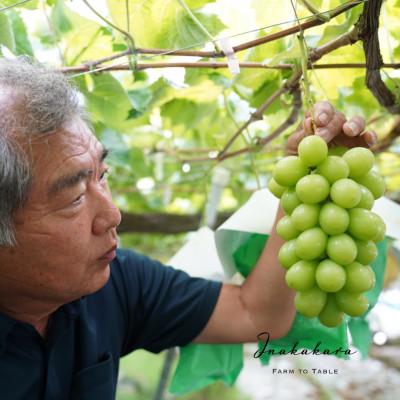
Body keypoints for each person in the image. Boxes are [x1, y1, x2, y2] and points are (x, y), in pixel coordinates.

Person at [0, 57, 376, 399]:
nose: (113, 215)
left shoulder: (117, 282)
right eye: (75, 198)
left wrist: (301, 182)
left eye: (102, 175)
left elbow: (256, 315)